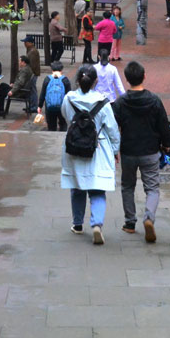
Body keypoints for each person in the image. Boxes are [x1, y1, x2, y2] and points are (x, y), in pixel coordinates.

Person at [112, 61, 170, 243]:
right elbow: (163, 125)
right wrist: (167, 144)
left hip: (128, 151)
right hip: (150, 150)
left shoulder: (121, 102)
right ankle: (149, 218)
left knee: (127, 186)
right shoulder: (154, 100)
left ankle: (130, 223)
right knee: (152, 188)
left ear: (127, 79)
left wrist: (114, 147)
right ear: (144, 76)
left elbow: (112, 125)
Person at [61, 65, 120, 244]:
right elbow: (112, 129)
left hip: (74, 147)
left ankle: (77, 224)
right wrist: (115, 150)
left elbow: (66, 118)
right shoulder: (104, 102)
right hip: (98, 148)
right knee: (97, 189)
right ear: (96, 81)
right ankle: (96, 224)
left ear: (77, 80)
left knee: (77, 186)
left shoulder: (69, 99)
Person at [41, 62, 71, 131]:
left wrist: (40, 106)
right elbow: (69, 94)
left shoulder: (47, 79)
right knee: (63, 124)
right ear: (61, 70)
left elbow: (43, 93)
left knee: (51, 126)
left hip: (49, 107)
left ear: (52, 69)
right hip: (62, 107)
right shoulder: (65, 80)